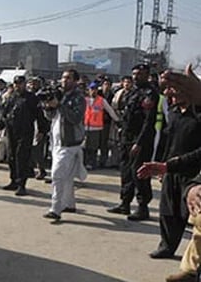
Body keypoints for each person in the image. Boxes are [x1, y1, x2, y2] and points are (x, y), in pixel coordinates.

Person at [137, 68, 201, 260]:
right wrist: (162, 163)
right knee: (168, 211)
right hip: (170, 168)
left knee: (190, 214)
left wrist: (171, 165)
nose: (169, 93)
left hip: (192, 173)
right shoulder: (173, 113)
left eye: (174, 89)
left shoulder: (198, 115)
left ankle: (193, 260)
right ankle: (167, 246)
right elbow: (167, 138)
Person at [107, 64, 159, 221]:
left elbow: (148, 122)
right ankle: (125, 203)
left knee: (139, 173)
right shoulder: (132, 92)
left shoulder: (150, 93)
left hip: (140, 139)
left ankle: (143, 208)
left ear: (147, 75)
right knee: (126, 171)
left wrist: (139, 142)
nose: (136, 77)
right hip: (127, 137)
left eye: (140, 74)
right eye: (134, 74)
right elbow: (127, 114)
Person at [42, 70, 87, 222]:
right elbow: (50, 117)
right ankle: (70, 204)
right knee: (67, 177)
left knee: (57, 175)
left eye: (68, 78)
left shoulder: (78, 97)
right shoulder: (60, 94)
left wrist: (59, 105)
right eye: (63, 77)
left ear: (75, 81)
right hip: (56, 141)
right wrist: (48, 106)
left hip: (70, 143)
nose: (64, 81)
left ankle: (55, 208)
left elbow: (75, 118)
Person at [0, 76, 45, 196]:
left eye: (20, 83)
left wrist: (42, 130)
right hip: (11, 130)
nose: (18, 86)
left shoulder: (31, 98)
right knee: (11, 156)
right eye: (16, 83)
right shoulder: (11, 97)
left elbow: (39, 115)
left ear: (24, 84)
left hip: (25, 131)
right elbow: (5, 113)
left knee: (21, 157)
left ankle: (22, 184)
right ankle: (13, 181)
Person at [84, 82, 119, 170]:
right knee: (84, 147)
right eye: (91, 89)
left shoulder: (101, 100)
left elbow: (110, 111)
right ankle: (84, 163)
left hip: (96, 128)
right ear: (88, 90)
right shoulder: (85, 100)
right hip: (85, 127)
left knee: (93, 148)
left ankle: (92, 164)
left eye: (95, 89)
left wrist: (117, 120)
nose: (93, 91)